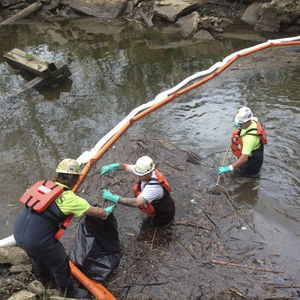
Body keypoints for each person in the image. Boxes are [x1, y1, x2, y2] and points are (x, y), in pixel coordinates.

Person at [13, 158, 115, 299]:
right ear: (75, 179)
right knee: (60, 261)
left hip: (18, 233)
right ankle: (68, 291)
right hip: (37, 241)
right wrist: (106, 212)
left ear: (57, 175)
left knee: (36, 255)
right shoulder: (70, 199)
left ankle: (45, 279)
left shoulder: (43, 186)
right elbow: (97, 212)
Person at [101, 156, 175, 228]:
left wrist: (115, 198)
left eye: (140, 175)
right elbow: (125, 167)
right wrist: (113, 167)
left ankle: (164, 224)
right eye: (138, 174)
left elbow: (136, 202)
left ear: (149, 173)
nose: (138, 176)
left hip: (164, 213)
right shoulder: (143, 170)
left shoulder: (154, 188)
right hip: (159, 204)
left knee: (154, 224)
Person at [218, 107, 267, 177]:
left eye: (240, 123)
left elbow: (244, 158)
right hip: (252, 152)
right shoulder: (253, 119)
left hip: (252, 161)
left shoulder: (249, 139)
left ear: (247, 121)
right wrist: (239, 124)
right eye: (238, 122)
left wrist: (228, 168)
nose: (239, 125)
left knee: (246, 176)